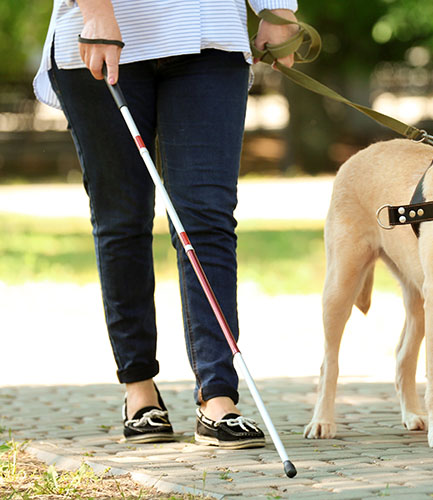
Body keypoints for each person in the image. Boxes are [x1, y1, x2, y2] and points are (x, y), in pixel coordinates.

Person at [33, 0, 299, 448]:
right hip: (100, 32)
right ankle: (139, 392)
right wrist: (95, 10)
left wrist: (278, 9)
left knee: (207, 219)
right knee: (123, 217)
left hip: (208, 35)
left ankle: (218, 397)